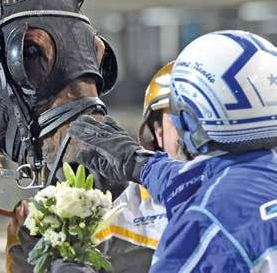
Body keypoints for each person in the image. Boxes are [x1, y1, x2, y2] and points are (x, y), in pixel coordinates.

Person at [69, 30, 277, 272]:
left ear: (188, 119)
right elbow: (208, 180)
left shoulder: (204, 222)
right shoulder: (259, 174)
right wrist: (144, 165)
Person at [5, 61, 188, 272]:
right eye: (180, 115)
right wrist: (42, 258)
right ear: (157, 130)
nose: (192, 130)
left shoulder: (227, 198)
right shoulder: (109, 209)